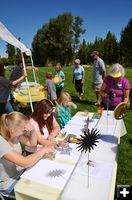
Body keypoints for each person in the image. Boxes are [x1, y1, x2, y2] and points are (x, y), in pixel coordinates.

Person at [0, 111, 54, 194]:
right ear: (12, 129)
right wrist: (44, 149)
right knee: (42, 191)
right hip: (9, 183)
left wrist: (32, 130)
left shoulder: (14, 134)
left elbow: (32, 144)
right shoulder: (1, 142)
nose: (25, 131)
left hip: (21, 173)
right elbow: (24, 163)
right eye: (23, 129)